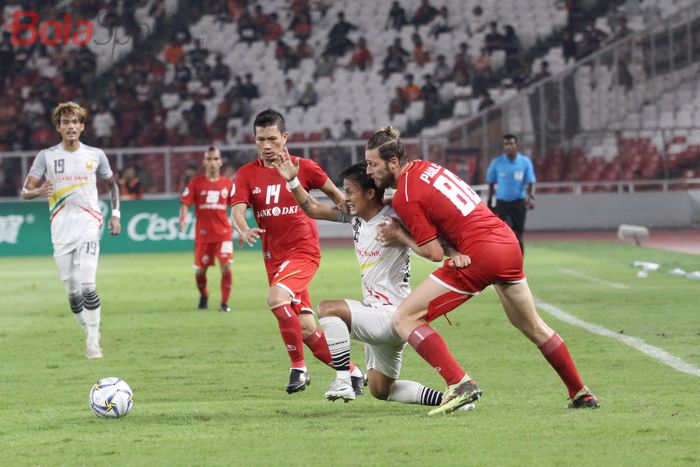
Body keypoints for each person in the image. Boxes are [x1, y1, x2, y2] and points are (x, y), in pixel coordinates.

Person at [365, 126, 599, 415]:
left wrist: (400, 234)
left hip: (480, 254)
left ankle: (459, 383)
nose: (369, 171)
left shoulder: (406, 194)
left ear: (392, 163)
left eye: (373, 164)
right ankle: (580, 392)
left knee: (405, 317)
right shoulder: (427, 168)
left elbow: (432, 252)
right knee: (533, 326)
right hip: (506, 242)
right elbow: (442, 210)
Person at [272, 157, 475, 410]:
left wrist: (455, 253)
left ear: (369, 193)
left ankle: (344, 379)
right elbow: (312, 208)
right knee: (381, 389)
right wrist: (292, 179)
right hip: (377, 315)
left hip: (393, 315)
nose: (344, 198)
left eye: (349, 192)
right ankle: (452, 401)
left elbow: (433, 242)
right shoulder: (354, 216)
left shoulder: (395, 219)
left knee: (327, 308)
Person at [231, 109, 365, 394]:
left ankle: (298, 369)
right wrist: (243, 228)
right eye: (260, 140)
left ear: (285, 137)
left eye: (272, 139)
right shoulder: (246, 174)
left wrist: (349, 211)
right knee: (305, 329)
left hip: (304, 252)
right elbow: (237, 210)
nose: (266, 146)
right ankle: (353, 373)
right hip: (274, 259)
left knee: (276, 298)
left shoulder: (305, 168)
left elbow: (339, 199)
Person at [20, 101, 121, 359]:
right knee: (73, 294)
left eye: (75, 121)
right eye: (65, 122)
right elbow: (25, 191)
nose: (71, 126)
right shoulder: (47, 156)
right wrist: (37, 191)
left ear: (82, 126)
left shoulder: (95, 155)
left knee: (88, 285)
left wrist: (116, 215)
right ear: (58, 127)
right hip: (61, 229)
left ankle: (92, 341)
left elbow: (113, 185)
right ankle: (89, 331)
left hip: (89, 223)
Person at [179, 147, 235, 312]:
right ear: (204, 162)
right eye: (209, 159)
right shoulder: (196, 183)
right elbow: (185, 204)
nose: (212, 162)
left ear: (220, 162)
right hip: (203, 236)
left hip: (224, 234)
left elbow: (237, 208)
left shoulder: (228, 184)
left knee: (226, 267)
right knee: (201, 272)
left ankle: (224, 304)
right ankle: (204, 295)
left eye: (215, 159)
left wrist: (242, 229)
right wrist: (182, 219)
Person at [486, 134, 536, 253]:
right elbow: (491, 183)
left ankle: (519, 262)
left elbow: (531, 182)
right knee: (500, 233)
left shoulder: (525, 162)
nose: (508, 146)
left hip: (519, 202)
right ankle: (501, 260)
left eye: (511, 144)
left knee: (519, 234)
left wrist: (531, 197)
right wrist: (489, 201)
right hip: (501, 203)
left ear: (516, 145)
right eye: (506, 144)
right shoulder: (497, 163)